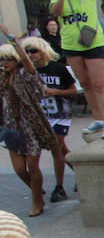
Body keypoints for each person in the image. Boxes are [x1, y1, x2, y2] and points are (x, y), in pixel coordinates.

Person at [50, 0, 104, 140]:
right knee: (85, 84)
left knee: (99, 84)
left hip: (92, 42)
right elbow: (56, 12)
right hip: (71, 44)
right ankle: (98, 119)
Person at [0, 27, 58, 218]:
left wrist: (9, 35)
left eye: (7, 59)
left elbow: (26, 59)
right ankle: (37, 191)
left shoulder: (26, 74)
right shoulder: (2, 78)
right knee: (18, 169)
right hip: (11, 128)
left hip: (31, 127)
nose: (4, 63)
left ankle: (37, 202)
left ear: (15, 60)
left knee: (33, 167)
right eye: (1, 60)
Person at [31, 38, 77, 204]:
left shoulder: (58, 68)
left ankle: (59, 187)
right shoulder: (30, 71)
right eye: (28, 52)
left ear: (43, 50)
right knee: (63, 149)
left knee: (55, 149)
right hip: (43, 117)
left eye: (34, 51)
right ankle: (80, 173)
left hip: (60, 115)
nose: (31, 55)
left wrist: (55, 92)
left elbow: (74, 91)